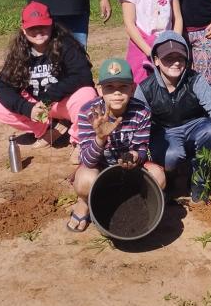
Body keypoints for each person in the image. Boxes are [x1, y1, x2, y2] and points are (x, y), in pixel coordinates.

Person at [136, 31, 211, 199]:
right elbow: (134, 121)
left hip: (196, 126)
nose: (176, 63)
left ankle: (199, 175)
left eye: (180, 57)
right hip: (165, 133)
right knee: (171, 156)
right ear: (156, 60)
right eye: (168, 58)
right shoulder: (145, 89)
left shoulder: (195, 80)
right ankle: (170, 177)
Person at [0, 1, 98, 159]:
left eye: (43, 26)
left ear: (51, 24)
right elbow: (3, 86)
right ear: (23, 29)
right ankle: (49, 129)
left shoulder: (66, 44)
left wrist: (48, 98)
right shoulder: (20, 51)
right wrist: (27, 108)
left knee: (87, 94)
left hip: (61, 103)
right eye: (32, 27)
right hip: (38, 109)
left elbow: (83, 76)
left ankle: (80, 141)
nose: (38, 32)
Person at [69, 58, 165, 232]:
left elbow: (141, 148)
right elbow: (88, 161)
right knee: (84, 181)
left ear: (133, 88)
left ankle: (129, 197)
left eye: (123, 87)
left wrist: (135, 157)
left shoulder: (142, 111)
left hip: (128, 169)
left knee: (158, 176)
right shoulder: (88, 113)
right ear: (99, 90)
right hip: (97, 167)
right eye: (110, 88)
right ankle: (83, 202)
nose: (117, 93)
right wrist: (100, 138)